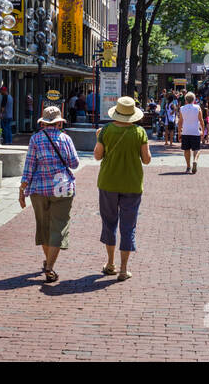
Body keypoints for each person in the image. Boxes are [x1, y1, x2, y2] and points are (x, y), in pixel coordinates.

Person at [19, 106, 81, 283]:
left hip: (39, 188)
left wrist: (22, 189)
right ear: (60, 122)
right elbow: (74, 163)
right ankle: (49, 267)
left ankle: (48, 262)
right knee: (59, 227)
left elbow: (29, 167)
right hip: (62, 187)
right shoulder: (65, 139)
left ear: (44, 122)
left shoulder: (35, 139)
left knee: (44, 227)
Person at [94, 96, 152, 281]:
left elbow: (97, 156)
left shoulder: (105, 131)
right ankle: (123, 268)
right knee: (128, 226)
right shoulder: (140, 132)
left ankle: (110, 263)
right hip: (132, 184)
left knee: (109, 223)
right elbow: (147, 159)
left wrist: (99, 138)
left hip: (108, 182)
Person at [178, 91, 205, 173]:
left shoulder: (182, 108)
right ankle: (195, 160)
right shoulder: (197, 108)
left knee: (186, 150)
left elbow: (180, 122)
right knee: (197, 149)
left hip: (185, 131)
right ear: (194, 100)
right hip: (195, 131)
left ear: (186, 100)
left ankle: (188, 167)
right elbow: (201, 120)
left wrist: (179, 132)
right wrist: (203, 131)